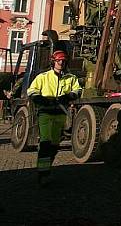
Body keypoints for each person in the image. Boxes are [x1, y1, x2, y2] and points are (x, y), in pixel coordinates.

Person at [26, 43, 82, 186]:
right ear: (53, 62)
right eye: (59, 61)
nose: (61, 63)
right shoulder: (43, 77)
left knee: (55, 145)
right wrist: (40, 99)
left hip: (60, 113)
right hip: (45, 112)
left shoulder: (70, 78)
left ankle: (46, 166)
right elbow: (32, 90)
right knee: (46, 143)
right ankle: (43, 174)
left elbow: (77, 90)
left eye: (63, 61)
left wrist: (68, 96)